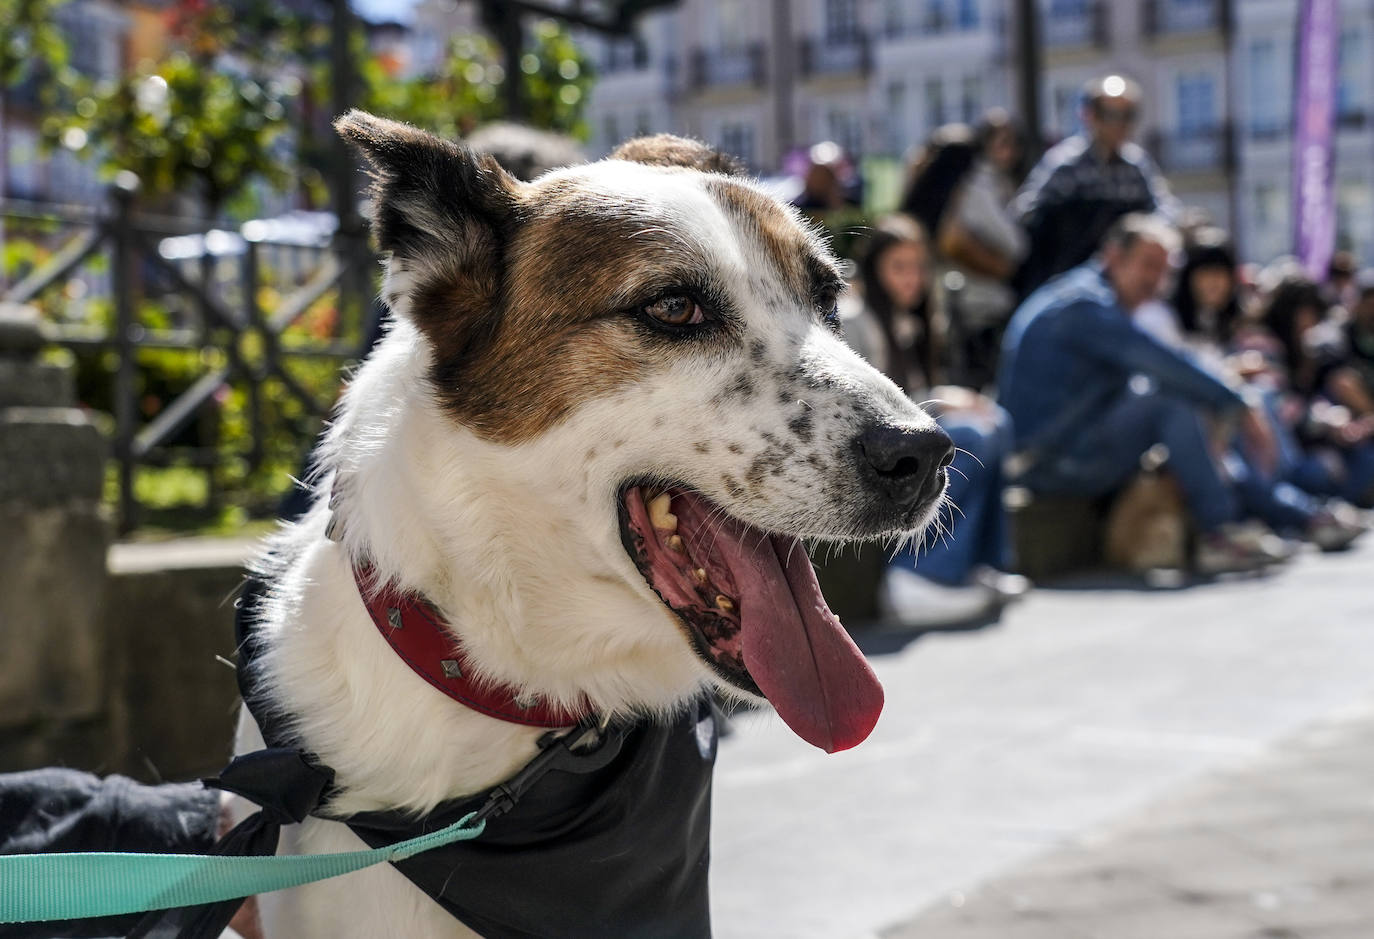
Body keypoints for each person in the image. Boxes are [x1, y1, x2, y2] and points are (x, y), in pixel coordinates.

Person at [998, 213, 1290, 575]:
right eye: (1149, 266)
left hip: (1060, 446)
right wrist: (1239, 404)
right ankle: (1220, 532)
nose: (1157, 282)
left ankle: (1275, 513)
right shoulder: (1085, 306)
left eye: (1164, 271)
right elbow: (1162, 363)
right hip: (1048, 461)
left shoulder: (1085, 295)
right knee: (1171, 406)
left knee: (1175, 402)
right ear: (1113, 256)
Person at [841, 214, 1027, 625]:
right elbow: (860, 406)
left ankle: (982, 562)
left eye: (918, 267)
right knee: (969, 438)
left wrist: (940, 399)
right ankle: (921, 575)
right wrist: (939, 399)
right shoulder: (853, 319)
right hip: (871, 448)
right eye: (899, 267)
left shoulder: (914, 321)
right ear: (875, 269)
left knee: (996, 423)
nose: (912, 279)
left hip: (904, 432)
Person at [1013, 75, 1178, 297]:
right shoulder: (1065, 164)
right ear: (1089, 115)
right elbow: (1025, 214)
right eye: (1111, 115)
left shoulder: (1137, 166)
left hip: (1122, 288)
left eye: (1128, 116)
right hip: (1067, 285)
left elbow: (1165, 211)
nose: (1120, 125)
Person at [900, 112, 1028, 388]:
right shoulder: (973, 187)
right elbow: (1015, 247)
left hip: (956, 314)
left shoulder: (939, 202)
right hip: (974, 314)